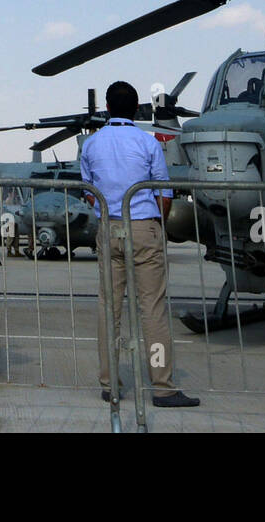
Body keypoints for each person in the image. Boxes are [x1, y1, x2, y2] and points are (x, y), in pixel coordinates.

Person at [81, 80, 198, 408]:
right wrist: (156, 226)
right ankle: (162, 385)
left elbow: (89, 191)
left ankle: (109, 383)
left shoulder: (91, 145)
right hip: (144, 227)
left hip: (110, 227)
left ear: (106, 107)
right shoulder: (147, 143)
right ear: (135, 109)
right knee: (153, 309)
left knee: (109, 308)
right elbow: (163, 191)